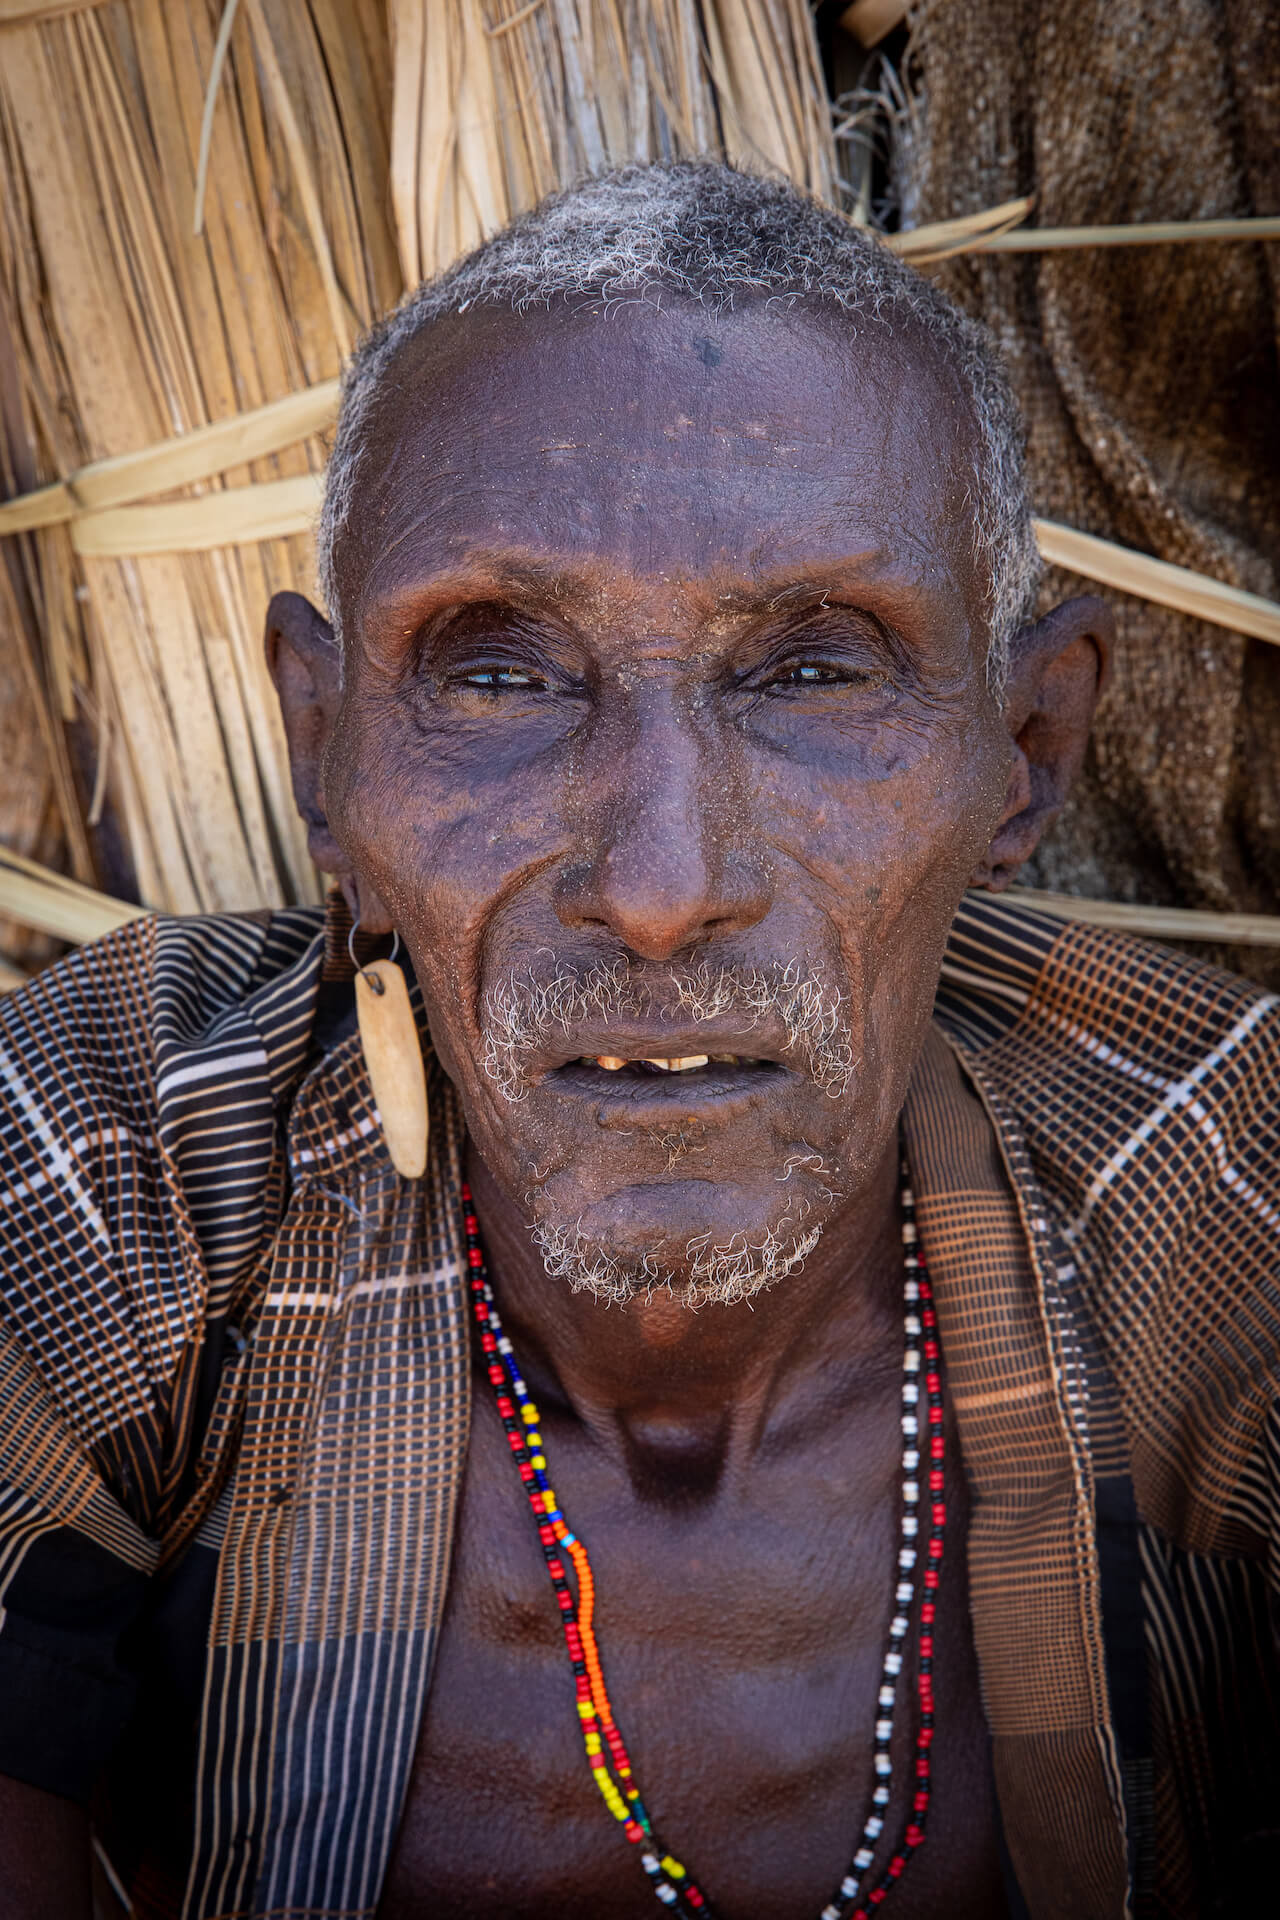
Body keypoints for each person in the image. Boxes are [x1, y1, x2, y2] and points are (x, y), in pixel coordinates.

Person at [0, 163, 1276, 1920]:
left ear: (1028, 749)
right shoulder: (115, 1162)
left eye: (817, 671)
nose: (663, 888)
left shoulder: (1213, 1191)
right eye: (502, 674)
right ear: (322, 752)